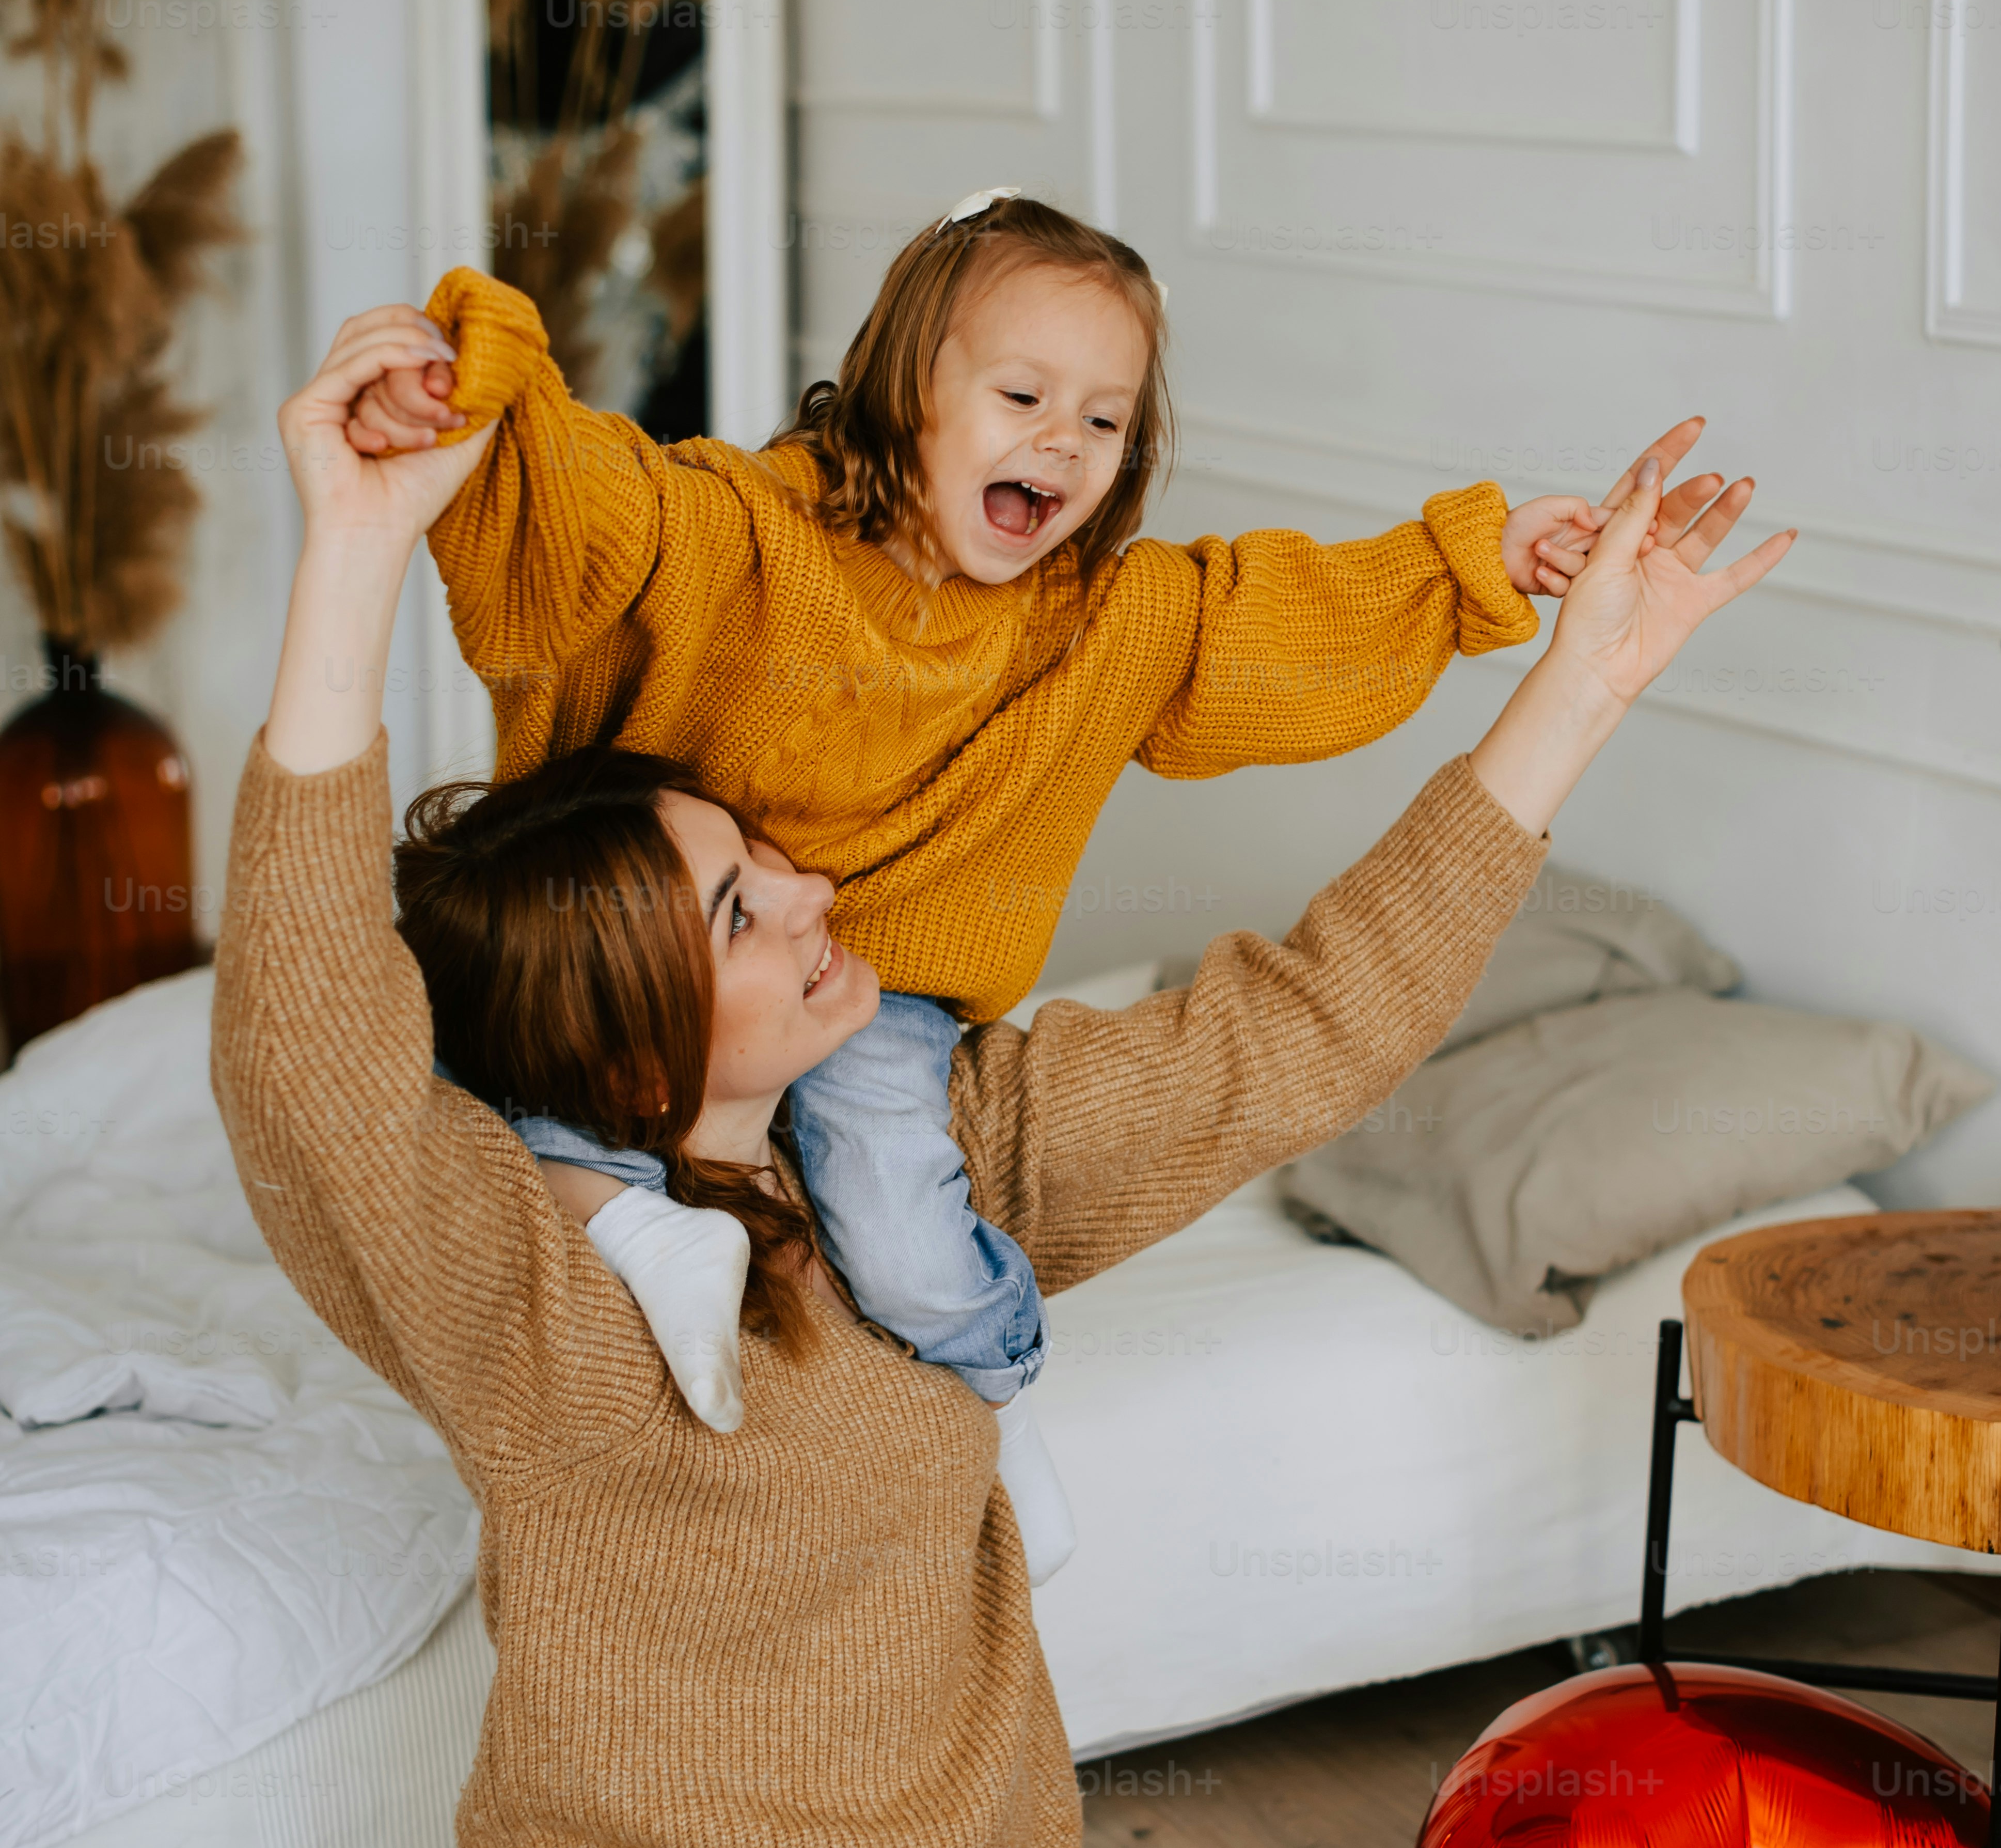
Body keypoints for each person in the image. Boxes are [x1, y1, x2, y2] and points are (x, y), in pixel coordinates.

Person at [209, 304, 1855, 1848]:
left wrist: (1583, 677)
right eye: (736, 906)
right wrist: (351, 549)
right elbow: (312, 1037)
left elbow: (1302, 1024)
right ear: (623, 1039)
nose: (809, 885)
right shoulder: (514, 1280)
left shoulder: (947, 1159)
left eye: (766, 852)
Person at [341, 193, 1706, 1580]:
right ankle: (638, 1224)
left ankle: (995, 1388)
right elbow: (594, 505)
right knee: (503, 1101)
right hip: (631, 965)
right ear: (904, 385)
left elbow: (1282, 623)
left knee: (904, 1234)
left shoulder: (1108, 625)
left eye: (1107, 421)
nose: (1066, 439)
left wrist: (1476, 566)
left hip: (877, 1011)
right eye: (1022, 393)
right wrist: (473, 404)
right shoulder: (742, 531)